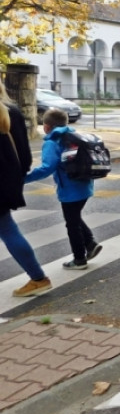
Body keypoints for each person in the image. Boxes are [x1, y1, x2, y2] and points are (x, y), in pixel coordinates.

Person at [25, 108, 102, 269]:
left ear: (46, 126)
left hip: (69, 189)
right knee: (75, 217)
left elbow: (47, 167)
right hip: (85, 184)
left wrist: (24, 178)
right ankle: (90, 243)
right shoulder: (72, 136)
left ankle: (79, 259)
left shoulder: (52, 142)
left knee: (71, 223)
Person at [0, 80, 53, 296]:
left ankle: (38, 277)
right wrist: (17, 176)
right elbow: (25, 154)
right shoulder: (12, 112)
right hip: (7, 181)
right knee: (7, 228)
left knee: (7, 229)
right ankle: (37, 277)